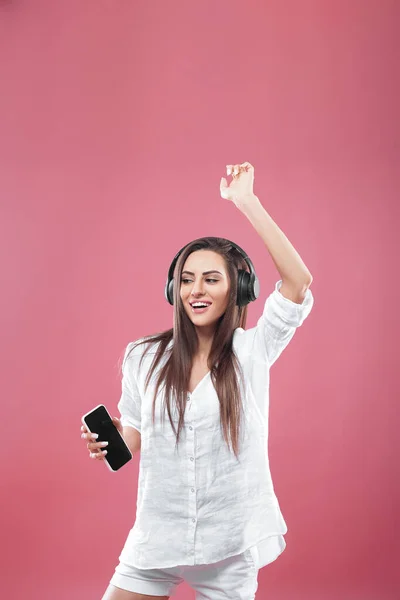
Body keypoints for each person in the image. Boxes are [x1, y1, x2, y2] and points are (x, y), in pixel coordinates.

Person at [81, 162, 314, 600]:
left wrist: (246, 201)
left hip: (230, 540)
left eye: (211, 279)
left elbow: (298, 282)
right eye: (186, 280)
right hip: (158, 533)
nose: (196, 290)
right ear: (174, 290)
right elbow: (134, 435)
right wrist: (109, 441)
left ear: (238, 289)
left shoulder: (252, 351)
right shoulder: (143, 356)